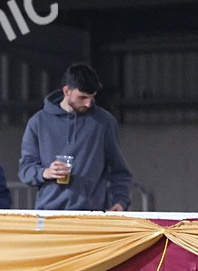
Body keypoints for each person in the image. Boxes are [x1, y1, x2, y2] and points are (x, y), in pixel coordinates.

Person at [19, 64, 132, 211]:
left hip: (92, 215)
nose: (88, 103)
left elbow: (120, 170)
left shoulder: (104, 122)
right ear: (66, 91)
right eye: (82, 97)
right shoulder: (38, 122)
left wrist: (120, 201)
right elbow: (25, 169)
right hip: (49, 213)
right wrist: (45, 172)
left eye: (92, 97)